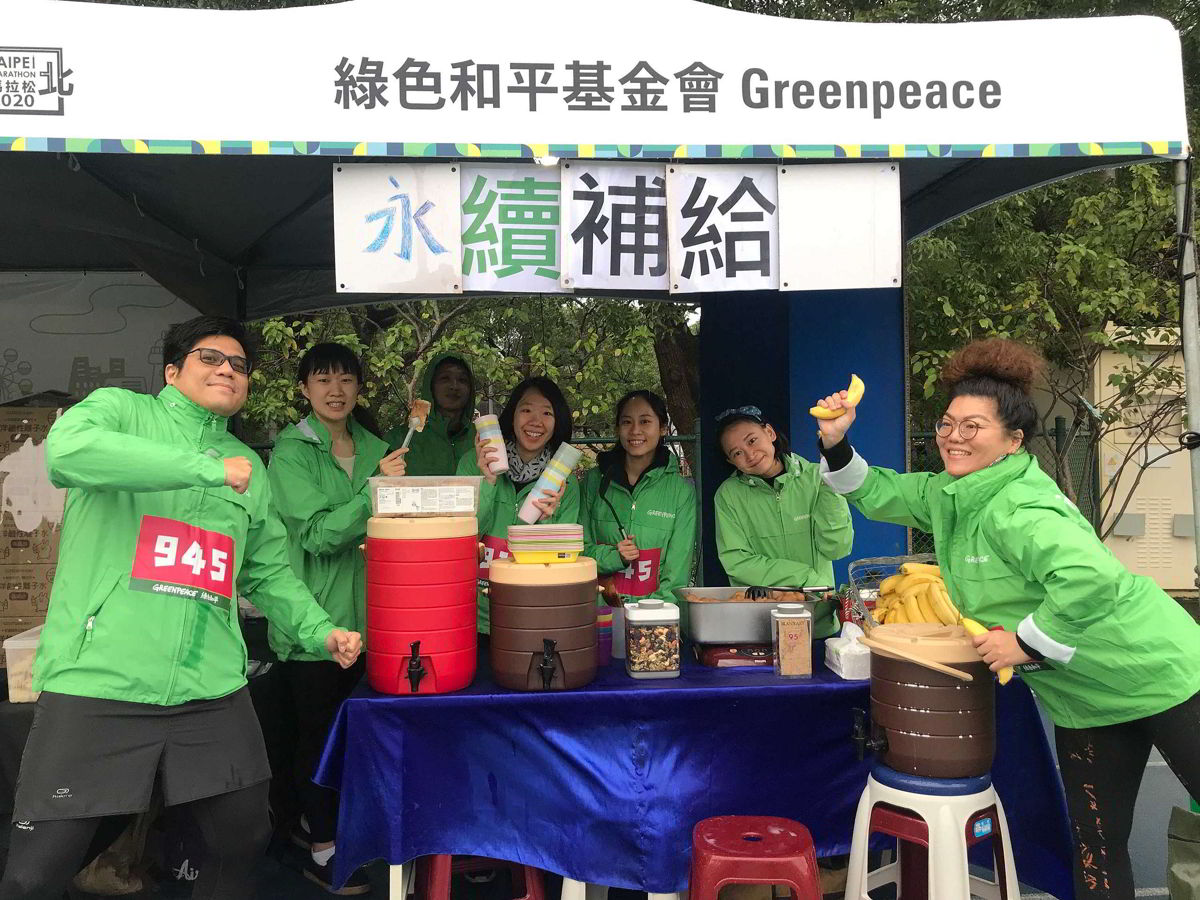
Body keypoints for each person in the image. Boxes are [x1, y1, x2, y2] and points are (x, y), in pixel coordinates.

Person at [815, 338, 1200, 899]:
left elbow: (1090, 578)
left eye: (974, 426)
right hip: (1086, 699)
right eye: (948, 423)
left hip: (1160, 674)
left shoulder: (1020, 505)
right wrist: (836, 440)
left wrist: (1025, 642)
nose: (953, 436)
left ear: (1013, 440)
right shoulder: (955, 493)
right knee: (1096, 845)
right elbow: (882, 492)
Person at [0, 316, 362, 900]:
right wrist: (206, 470)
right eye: (210, 358)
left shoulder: (249, 466)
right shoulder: (122, 412)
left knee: (243, 836)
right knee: (35, 873)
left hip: (211, 687)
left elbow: (268, 570)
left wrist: (322, 631)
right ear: (173, 371)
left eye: (239, 365)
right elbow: (68, 453)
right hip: (102, 680)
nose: (227, 370)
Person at [267, 343, 406, 895]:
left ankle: (331, 826)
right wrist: (376, 490)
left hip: (377, 622)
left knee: (359, 738)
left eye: (346, 378)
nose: (335, 389)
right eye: (323, 378)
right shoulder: (291, 451)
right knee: (318, 738)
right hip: (315, 622)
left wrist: (394, 490)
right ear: (304, 388)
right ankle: (323, 847)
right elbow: (318, 536)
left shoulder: (379, 448)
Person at [713, 406, 854, 639]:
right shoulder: (728, 496)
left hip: (818, 623)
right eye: (737, 453)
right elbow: (737, 562)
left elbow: (837, 547)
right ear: (730, 460)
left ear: (770, 433)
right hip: (760, 627)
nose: (749, 454)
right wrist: (805, 577)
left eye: (752, 440)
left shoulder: (816, 477)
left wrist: (831, 486)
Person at [457, 376, 580, 633]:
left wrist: (549, 520)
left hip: (529, 616)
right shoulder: (473, 463)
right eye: (526, 410)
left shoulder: (563, 483)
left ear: (557, 423)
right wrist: (488, 482)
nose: (535, 422)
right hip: (472, 618)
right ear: (512, 416)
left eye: (547, 413)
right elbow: (458, 538)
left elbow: (562, 566)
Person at [580, 390, 696, 605]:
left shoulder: (681, 491)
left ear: (662, 428)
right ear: (617, 429)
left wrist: (651, 617)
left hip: (653, 619)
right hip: (596, 614)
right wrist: (615, 557)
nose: (635, 431)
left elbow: (677, 572)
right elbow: (578, 551)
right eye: (626, 422)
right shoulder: (594, 482)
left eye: (645, 421)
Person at [384, 353, 476, 476]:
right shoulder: (398, 440)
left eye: (462, 380)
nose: (454, 386)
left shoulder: (483, 439)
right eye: (445, 378)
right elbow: (377, 490)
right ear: (431, 386)